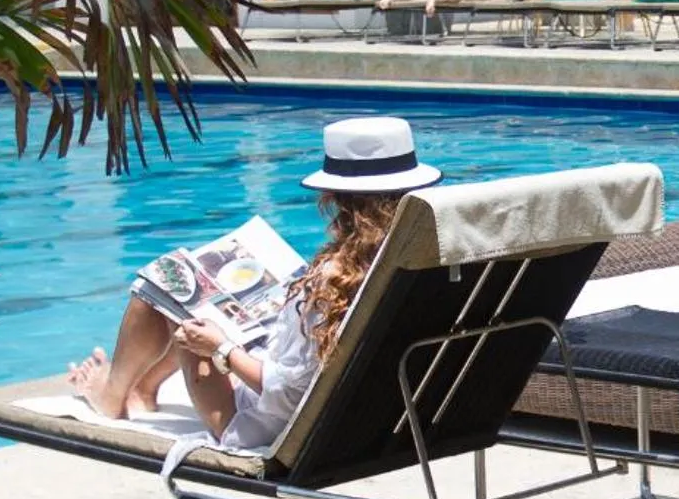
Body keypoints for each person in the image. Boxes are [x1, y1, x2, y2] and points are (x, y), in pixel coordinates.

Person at [68, 117, 441, 451]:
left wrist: (224, 348)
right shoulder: (428, 258)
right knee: (198, 300)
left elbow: (288, 393)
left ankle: (112, 396)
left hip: (265, 427)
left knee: (168, 293)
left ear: (334, 198)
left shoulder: (334, 278)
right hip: (382, 411)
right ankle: (143, 390)